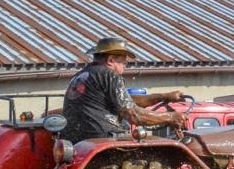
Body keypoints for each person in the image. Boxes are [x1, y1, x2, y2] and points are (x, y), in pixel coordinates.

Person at [59, 37, 189, 142]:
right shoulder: (109, 75)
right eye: (123, 62)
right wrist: (171, 117)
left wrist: (164, 96)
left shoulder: (82, 75)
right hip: (104, 137)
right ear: (110, 60)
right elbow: (134, 115)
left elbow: (126, 101)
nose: (125, 67)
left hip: (75, 141)